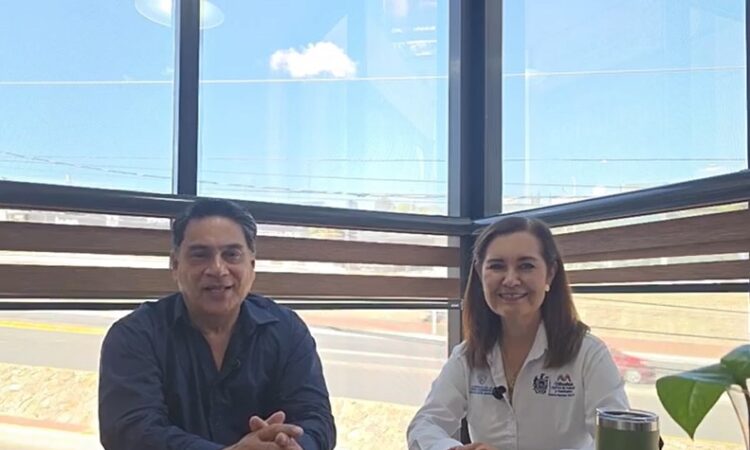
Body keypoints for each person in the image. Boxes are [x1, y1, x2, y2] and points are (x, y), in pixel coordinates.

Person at [99, 199, 336, 450]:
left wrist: (291, 444)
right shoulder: (135, 335)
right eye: (200, 255)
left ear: (251, 265)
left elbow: (316, 419)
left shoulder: (286, 330)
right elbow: (130, 430)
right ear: (175, 265)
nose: (217, 269)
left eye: (232, 255)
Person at [407, 216, 629, 450]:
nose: (511, 280)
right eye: (497, 266)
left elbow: (618, 444)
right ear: (480, 274)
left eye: (526, 266)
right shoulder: (467, 355)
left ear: (550, 273)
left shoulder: (589, 355)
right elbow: (424, 425)